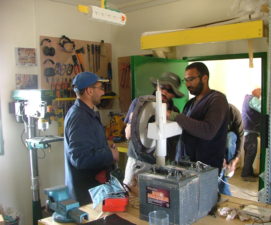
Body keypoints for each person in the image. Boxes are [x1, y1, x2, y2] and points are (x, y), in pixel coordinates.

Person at [64, 72, 119, 205]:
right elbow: (80, 158)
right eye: (100, 88)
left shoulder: (85, 113)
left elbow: (88, 145)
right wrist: (109, 154)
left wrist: (105, 145)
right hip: (87, 195)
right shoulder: (80, 118)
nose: (102, 92)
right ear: (89, 91)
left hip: (93, 190)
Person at [123, 72, 185, 190]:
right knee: (131, 197)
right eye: (162, 87)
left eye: (170, 90)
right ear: (156, 86)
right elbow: (128, 135)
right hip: (138, 162)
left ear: (174, 95)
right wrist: (134, 120)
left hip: (161, 165)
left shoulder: (174, 111)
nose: (165, 92)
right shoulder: (139, 103)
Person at [168, 62, 229, 172]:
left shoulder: (217, 99)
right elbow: (186, 127)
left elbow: (208, 131)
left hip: (206, 168)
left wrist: (174, 116)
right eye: (185, 80)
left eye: (191, 79)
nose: (187, 84)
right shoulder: (190, 103)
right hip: (186, 165)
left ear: (204, 78)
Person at [219, 103, 244, 195]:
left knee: (230, 137)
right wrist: (220, 157)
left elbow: (241, 137)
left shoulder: (234, 113)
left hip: (230, 139)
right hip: (216, 143)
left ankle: (229, 166)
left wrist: (236, 159)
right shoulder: (211, 113)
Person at [241, 88, 261, 181]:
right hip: (251, 130)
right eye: (260, 93)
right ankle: (246, 175)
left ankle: (249, 172)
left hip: (247, 130)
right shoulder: (253, 99)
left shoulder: (246, 98)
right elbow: (262, 108)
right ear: (256, 92)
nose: (260, 95)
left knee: (248, 153)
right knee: (251, 152)